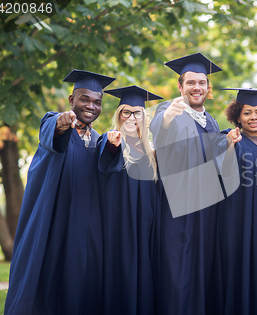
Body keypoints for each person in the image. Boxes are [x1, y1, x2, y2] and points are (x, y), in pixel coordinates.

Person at [5, 70, 115, 315]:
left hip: (84, 231)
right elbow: (51, 132)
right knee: (47, 281)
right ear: (71, 100)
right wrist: (60, 124)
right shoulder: (54, 123)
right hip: (53, 225)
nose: (91, 106)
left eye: (97, 102)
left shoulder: (99, 142)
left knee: (81, 283)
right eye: (84, 99)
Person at [149, 53, 232, 315]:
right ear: (180, 86)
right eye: (191, 83)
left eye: (202, 83)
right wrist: (168, 116)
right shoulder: (170, 110)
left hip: (207, 211)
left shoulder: (212, 122)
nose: (197, 88)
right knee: (178, 272)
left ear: (208, 88)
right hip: (178, 209)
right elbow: (157, 130)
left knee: (202, 270)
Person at [97, 85, 162, 315]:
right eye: (127, 112)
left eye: (138, 113)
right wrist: (112, 144)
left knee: (145, 272)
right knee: (121, 272)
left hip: (147, 226)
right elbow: (106, 160)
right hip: (119, 226)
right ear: (119, 115)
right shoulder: (111, 142)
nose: (132, 117)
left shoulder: (151, 151)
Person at [218, 88, 257, 315]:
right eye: (247, 113)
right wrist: (227, 145)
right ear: (237, 116)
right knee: (242, 273)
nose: (253, 117)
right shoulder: (231, 139)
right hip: (241, 223)